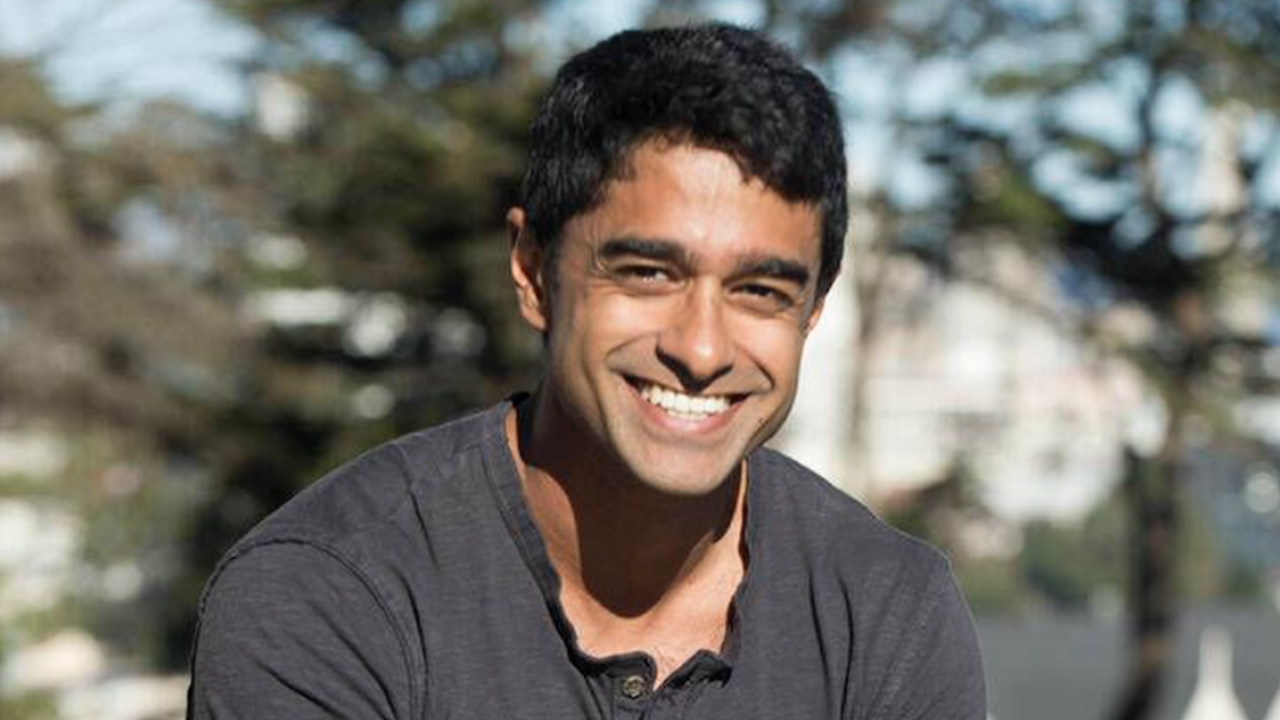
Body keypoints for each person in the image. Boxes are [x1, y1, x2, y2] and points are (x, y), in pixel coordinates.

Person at [186, 23, 986, 720]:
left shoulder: (886, 613)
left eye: (760, 291)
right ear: (534, 271)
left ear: (813, 311)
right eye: (648, 274)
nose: (702, 350)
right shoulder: (328, 593)